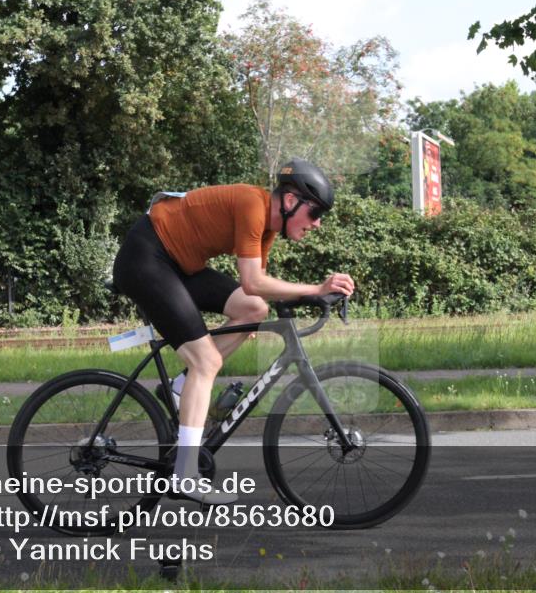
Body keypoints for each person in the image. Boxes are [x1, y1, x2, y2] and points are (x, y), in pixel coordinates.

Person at [113, 159, 355, 505]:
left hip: (177, 264)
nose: (316, 224)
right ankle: (185, 475)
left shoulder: (268, 229)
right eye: (314, 213)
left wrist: (307, 297)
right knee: (206, 362)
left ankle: (182, 389)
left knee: (253, 310)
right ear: (290, 202)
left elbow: (257, 292)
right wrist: (316, 289)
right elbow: (252, 280)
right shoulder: (251, 205)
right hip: (146, 258)